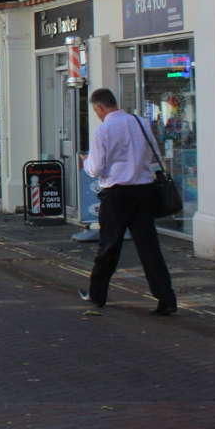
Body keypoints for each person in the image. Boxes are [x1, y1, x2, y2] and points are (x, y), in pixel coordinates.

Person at [79, 88, 178, 316]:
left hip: (116, 194)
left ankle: (97, 294)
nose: (97, 114)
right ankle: (166, 298)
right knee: (149, 247)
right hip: (144, 192)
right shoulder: (140, 122)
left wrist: (85, 161)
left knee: (109, 246)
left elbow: (95, 169)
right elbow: (155, 157)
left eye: (96, 110)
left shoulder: (102, 130)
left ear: (100, 107)